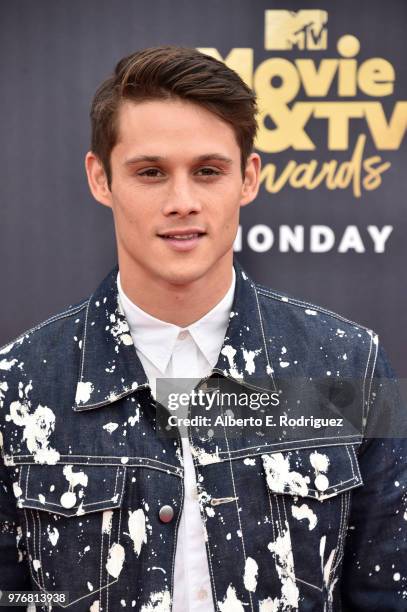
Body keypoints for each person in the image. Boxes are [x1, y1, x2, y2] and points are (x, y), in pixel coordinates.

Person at [0, 46, 406, 612]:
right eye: (150, 173)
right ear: (100, 178)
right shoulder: (17, 386)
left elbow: (386, 592)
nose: (182, 202)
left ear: (248, 178)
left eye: (208, 171)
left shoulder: (349, 365)